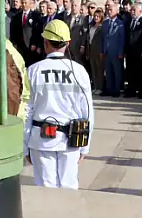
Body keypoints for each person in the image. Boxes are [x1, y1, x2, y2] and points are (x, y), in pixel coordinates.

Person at [23, 20, 94, 189]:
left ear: (45, 43)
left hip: (41, 139)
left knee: (45, 188)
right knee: (69, 187)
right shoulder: (79, 71)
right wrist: (85, 146)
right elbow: (88, 112)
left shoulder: (33, 71)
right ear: (68, 44)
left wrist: (25, 146)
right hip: (71, 140)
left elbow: (26, 111)